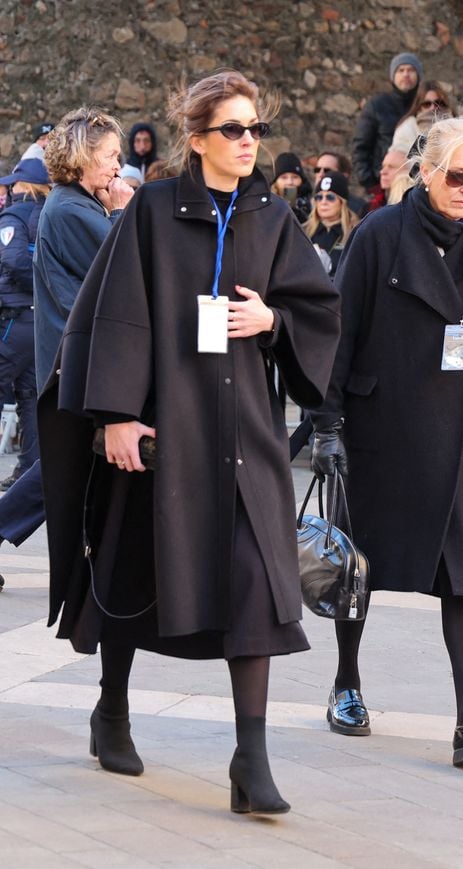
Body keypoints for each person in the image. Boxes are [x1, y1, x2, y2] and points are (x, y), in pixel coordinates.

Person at [37, 70, 340, 814]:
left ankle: (251, 757)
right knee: (133, 566)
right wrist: (113, 414)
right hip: (163, 426)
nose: (248, 142)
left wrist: (273, 320)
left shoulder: (272, 216)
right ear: (197, 138)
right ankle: (111, 707)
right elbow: (113, 312)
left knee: (258, 588)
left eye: (256, 129)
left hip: (247, 438)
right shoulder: (152, 212)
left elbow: (316, 308)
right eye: (232, 129)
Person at [310, 117, 463, 768]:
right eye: (458, 176)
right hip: (382, 428)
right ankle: (346, 682)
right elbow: (337, 333)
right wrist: (326, 424)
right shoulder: (380, 234)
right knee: (360, 567)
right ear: (426, 171)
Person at [0, 108, 133, 592]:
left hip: (76, 359)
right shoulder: (73, 209)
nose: (118, 167)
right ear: (81, 159)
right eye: (110, 157)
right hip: (78, 362)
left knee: (68, 465)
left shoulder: (72, 203)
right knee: (60, 466)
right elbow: (124, 269)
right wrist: (120, 214)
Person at [0, 159, 51, 492]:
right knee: (30, 397)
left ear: (23, 186)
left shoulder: (14, 216)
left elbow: (14, 260)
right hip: (39, 322)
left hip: (13, 319)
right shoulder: (52, 213)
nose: (8, 192)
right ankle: (30, 471)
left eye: (12, 185)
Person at [352, 52, 423, 192]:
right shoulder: (377, 105)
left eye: (411, 70)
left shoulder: (426, 105)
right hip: (385, 184)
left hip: (419, 183)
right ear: (393, 76)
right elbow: (361, 146)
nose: (406, 74)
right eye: (401, 70)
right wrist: (371, 182)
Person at [304, 171, 359, 277]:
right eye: (319, 197)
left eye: (330, 197)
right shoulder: (303, 231)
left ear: (342, 202)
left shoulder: (355, 233)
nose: (323, 202)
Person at [391, 80, 454, 157]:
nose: (432, 108)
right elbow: (399, 158)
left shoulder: (458, 126)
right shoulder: (406, 128)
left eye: (438, 102)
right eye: (427, 104)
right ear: (419, 106)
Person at [312, 151, 367, 217]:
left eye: (327, 171)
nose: (320, 174)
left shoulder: (359, 209)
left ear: (344, 175)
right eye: (317, 170)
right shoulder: (305, 204)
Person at [270, 151, 311, 222]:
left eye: (295, 177)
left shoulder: (312, 205)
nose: (290, 182)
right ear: (276, 181)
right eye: (284, 177)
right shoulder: (267, 205)